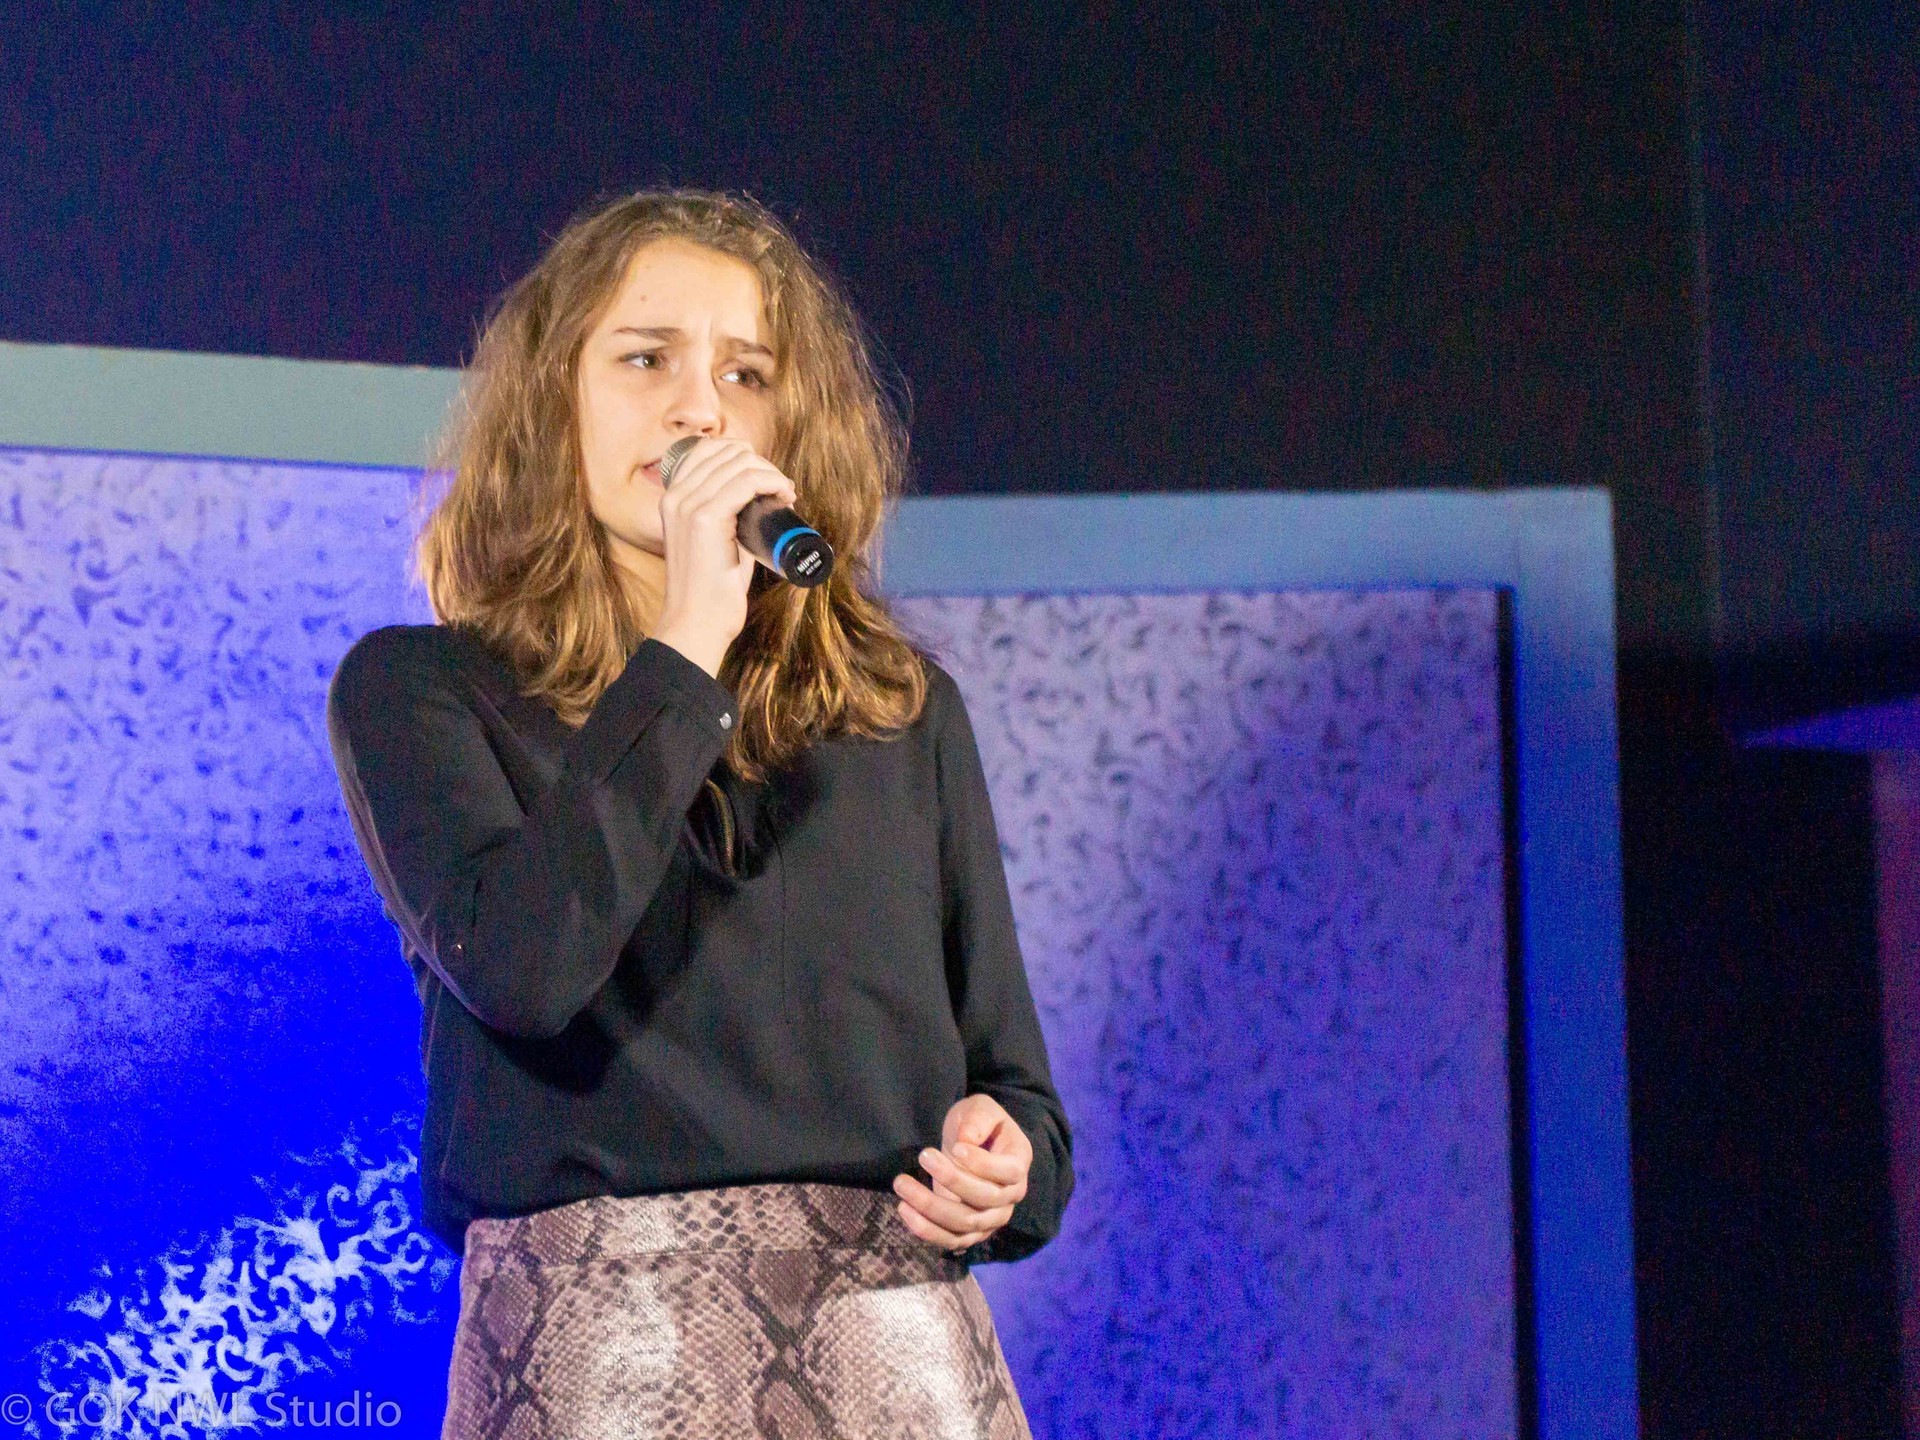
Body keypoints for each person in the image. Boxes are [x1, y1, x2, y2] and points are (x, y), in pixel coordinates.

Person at [324, 188, 1073, 1438]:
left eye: (746, 373)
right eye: (646, 359)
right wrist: (684, 645)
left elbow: (1016, 1088)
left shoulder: (899, 711)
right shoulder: (420, 690)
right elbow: (521, 968)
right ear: (552, 400)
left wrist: (1007, 1169)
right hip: (603, 1353)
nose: (700, 409)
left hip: (893, 1349)